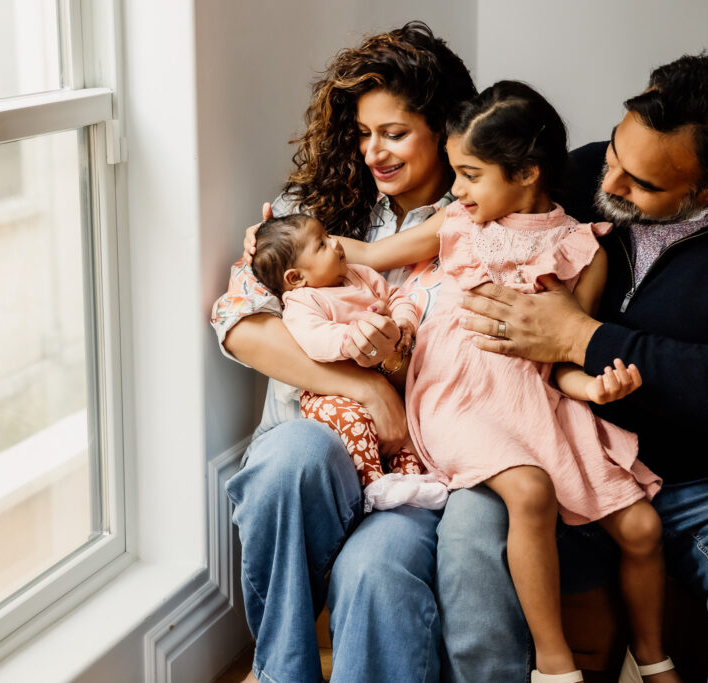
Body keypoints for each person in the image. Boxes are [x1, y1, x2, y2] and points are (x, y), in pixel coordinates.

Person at [435, 54, 708, 682]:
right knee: (471, 531)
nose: (611, 184)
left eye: (644, 184)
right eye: (615, 153)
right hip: (567, 445)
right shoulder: (578, 174)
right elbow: (457, 226)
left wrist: (582, 338)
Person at [337, 80, 677, 683]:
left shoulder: (583, 250)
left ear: (525, 174)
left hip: (540, 403)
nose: (458, 188)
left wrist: (596, 390)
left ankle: (654, 661)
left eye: (469, 174)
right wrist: (286, 242)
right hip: (458, 394)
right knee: (529, 491)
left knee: (643, 525)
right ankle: (553, 663)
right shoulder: (455, 224)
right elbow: (367, 254)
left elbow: (566, 361)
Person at [210, 21, 476, 683]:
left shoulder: (475, 219)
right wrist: (363, 387)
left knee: (376, 573)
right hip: (316, 455)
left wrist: (394, 372)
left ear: (443, 128)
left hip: (412, 469)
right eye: (362, 132)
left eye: (394, 132)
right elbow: (241, 322)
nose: (373, 152)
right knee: (289, 459)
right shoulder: (307, 214)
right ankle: (283, 672)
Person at [250, 212, 449, 513]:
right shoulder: (303, 301)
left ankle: (413, 479)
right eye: (321, 244)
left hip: (384, 381)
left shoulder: (359, 275)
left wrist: (404, 321)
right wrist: (354, 337)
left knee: (408, 430)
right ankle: (375, 483)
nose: (336, 245)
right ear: (296, 278)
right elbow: (314, 339)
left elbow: (395, 296)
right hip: (329, 393)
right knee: (355, 422)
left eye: (328, 236)